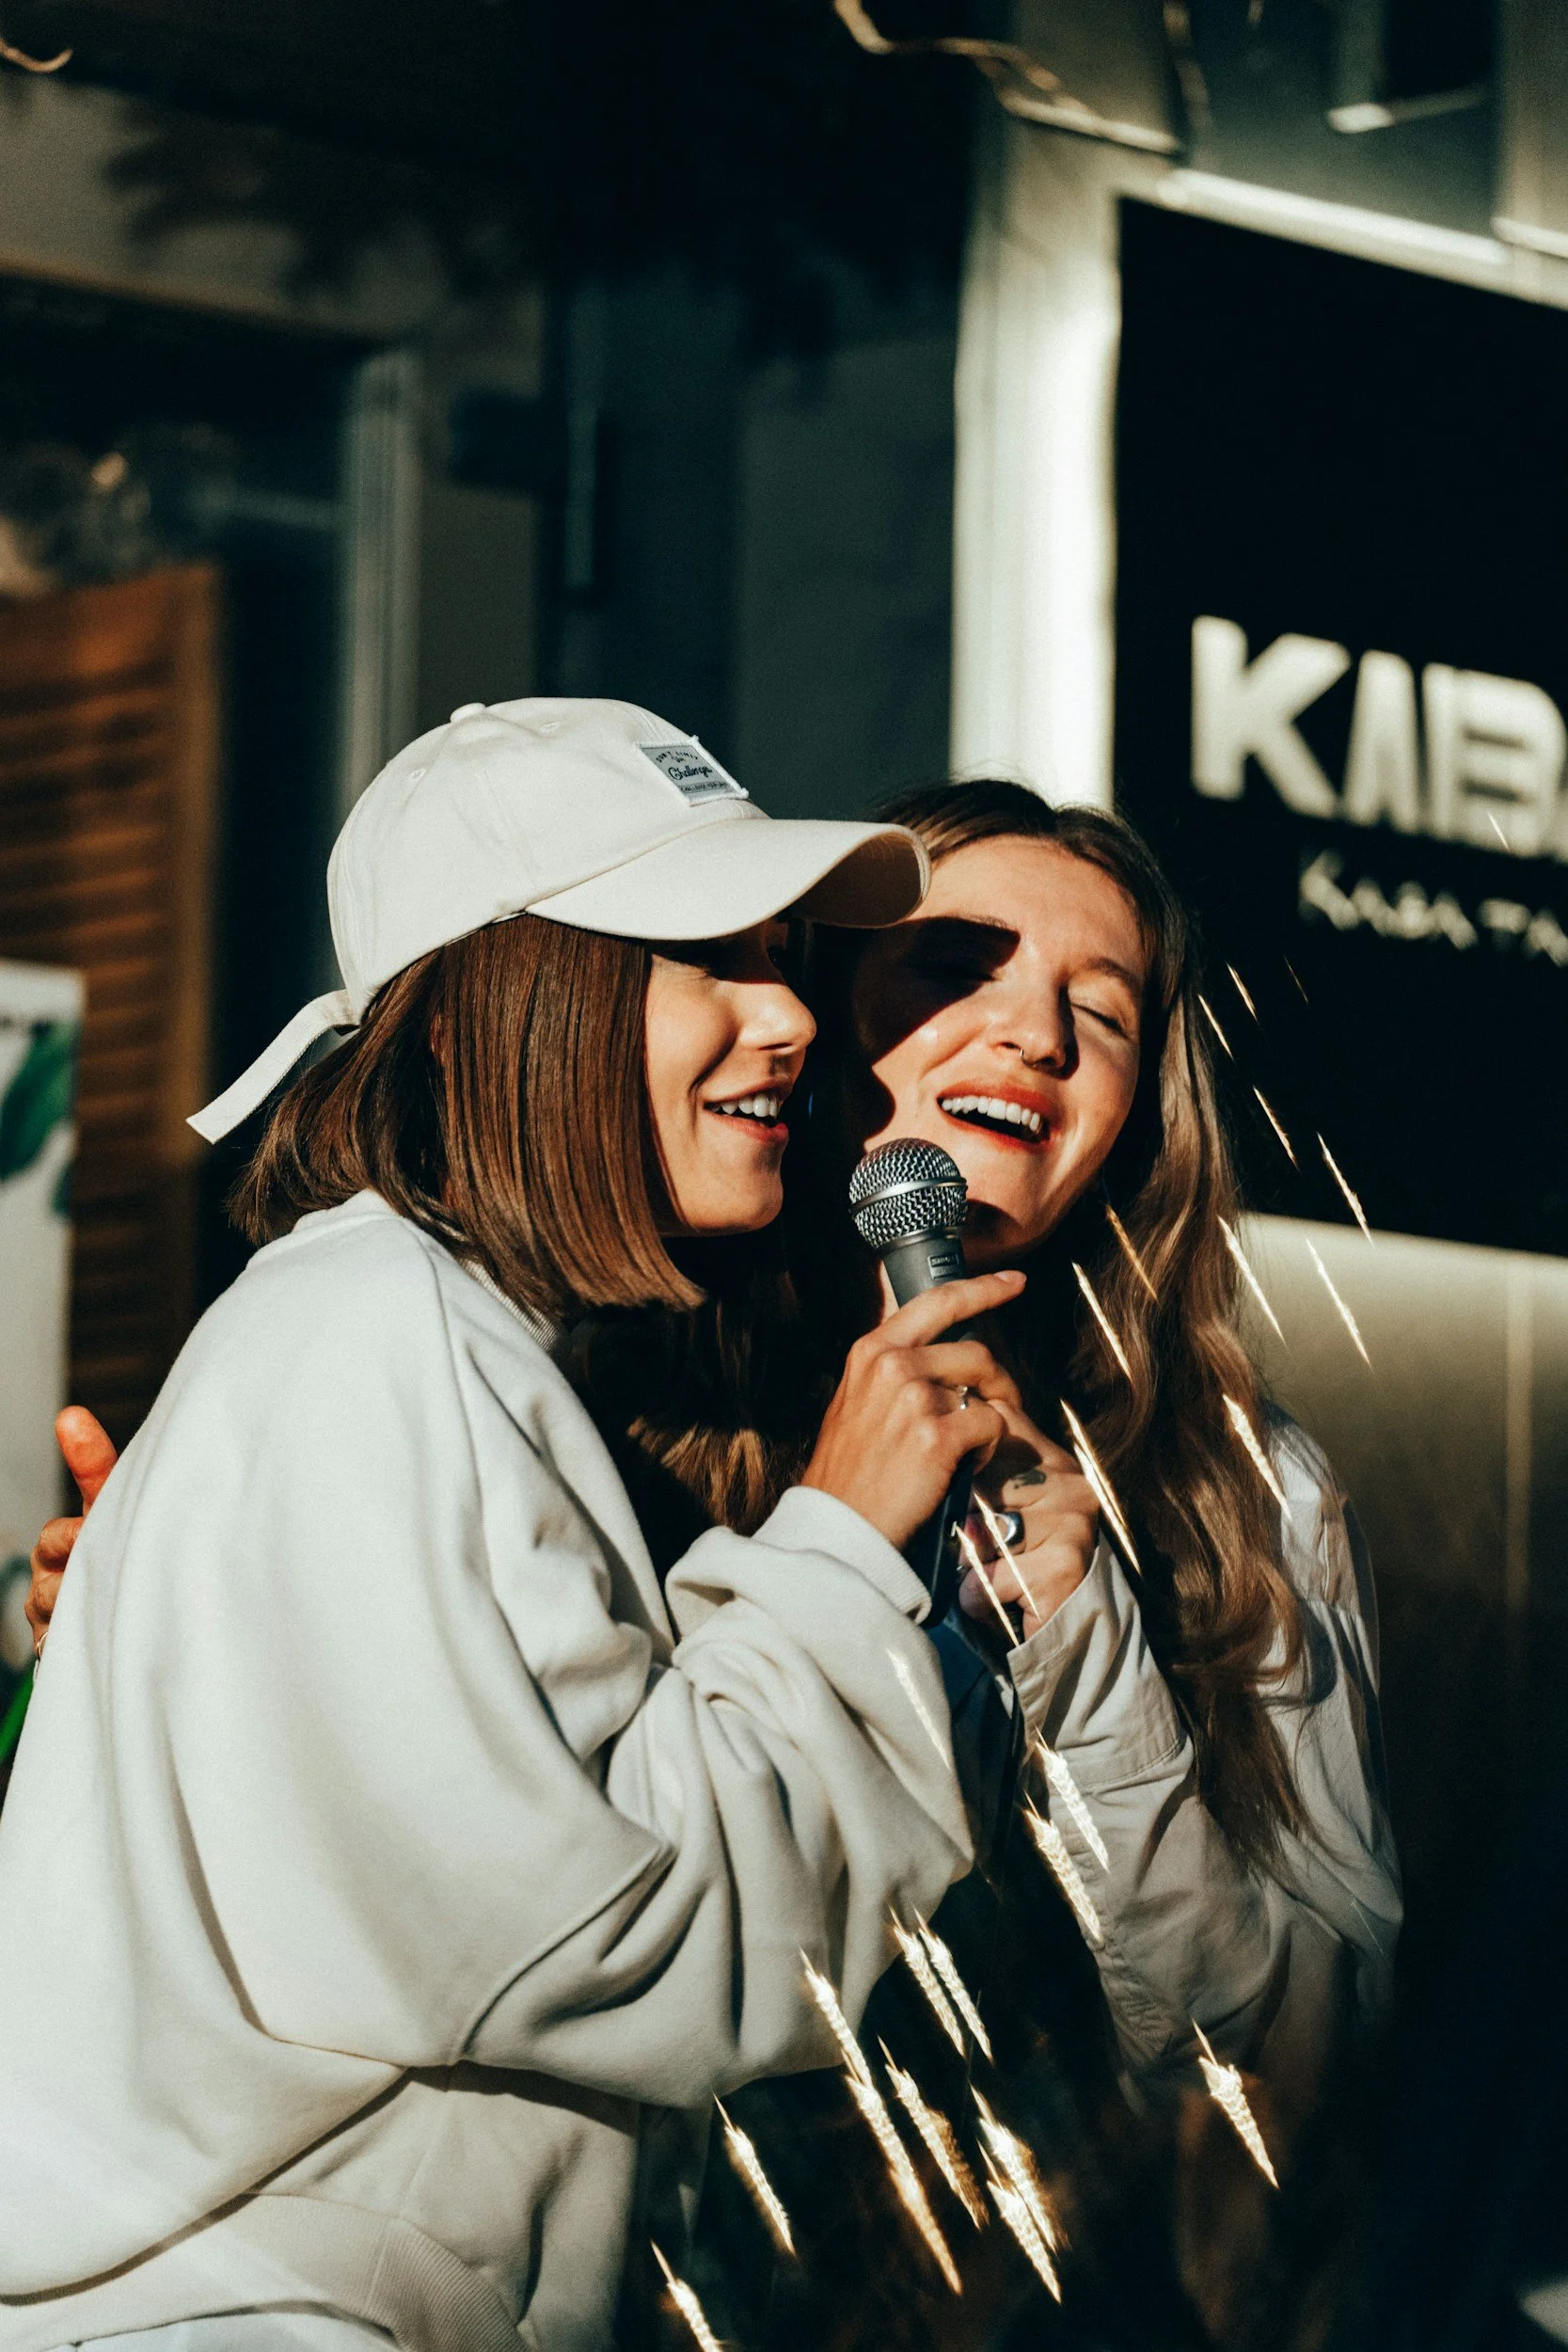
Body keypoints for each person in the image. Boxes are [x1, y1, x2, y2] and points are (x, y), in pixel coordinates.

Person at [26, 777, 1401, 2344]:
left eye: (1103, 1008)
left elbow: (1295, 2066)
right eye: (950, 972)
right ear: (809, 1025)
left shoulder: (1243, 1490)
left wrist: (1088, 1664)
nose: (1032, 1035)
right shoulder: (592, 1385)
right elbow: (530, 1906)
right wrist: (218, 1634)